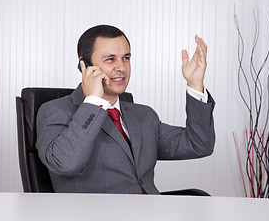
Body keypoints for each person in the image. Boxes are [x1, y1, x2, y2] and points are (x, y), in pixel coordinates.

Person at [36, 24, 215, 194]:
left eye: (126, 58)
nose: (121, 68)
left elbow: (198, 145)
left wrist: (195, 83)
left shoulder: (144, 116)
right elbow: (66, 164)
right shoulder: (55, 111)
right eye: (110, 59)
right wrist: (93, 102)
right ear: (84, 65)